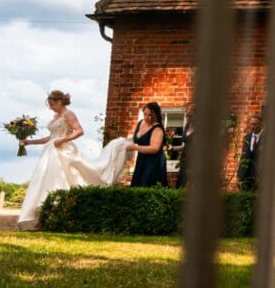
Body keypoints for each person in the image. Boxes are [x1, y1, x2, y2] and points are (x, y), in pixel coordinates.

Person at [16, 90, 131, 230]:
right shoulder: (55, 116)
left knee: (63, 182)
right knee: (46, 182)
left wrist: (63, 140)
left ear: (59, 102)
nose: (50, 107)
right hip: (51, 151)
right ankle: (45, 219)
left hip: (64, 152)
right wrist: (30, 142)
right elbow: (51, 137)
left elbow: (79, 131)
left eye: (52, 104)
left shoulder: (68, 114)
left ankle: (60, 218)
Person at [127, 102, 168, 187]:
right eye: (145, 114)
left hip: (154, 162)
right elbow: (136, 139)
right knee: (138, 187)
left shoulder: (157, 128)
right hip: (142, 160)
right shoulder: (140, 122)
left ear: (156, 115)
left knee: (147, 185)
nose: (147, 117)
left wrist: (135, 147)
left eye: (150, 115)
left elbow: (154, 148)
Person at [238, 114, 263, 191]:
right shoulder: (247, 137)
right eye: (251, 124)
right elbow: (243, 157)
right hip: (246, 178)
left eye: (255, 124)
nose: (252, 127)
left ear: (261, 124)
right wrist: (239, 176)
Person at [170, 107, 193, 188]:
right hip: (185, 159)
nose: (187, 116)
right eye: (187, 114)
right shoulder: (187, 126)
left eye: (190, 114)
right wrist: (172, 148)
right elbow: (185, 146)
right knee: (181, 183)